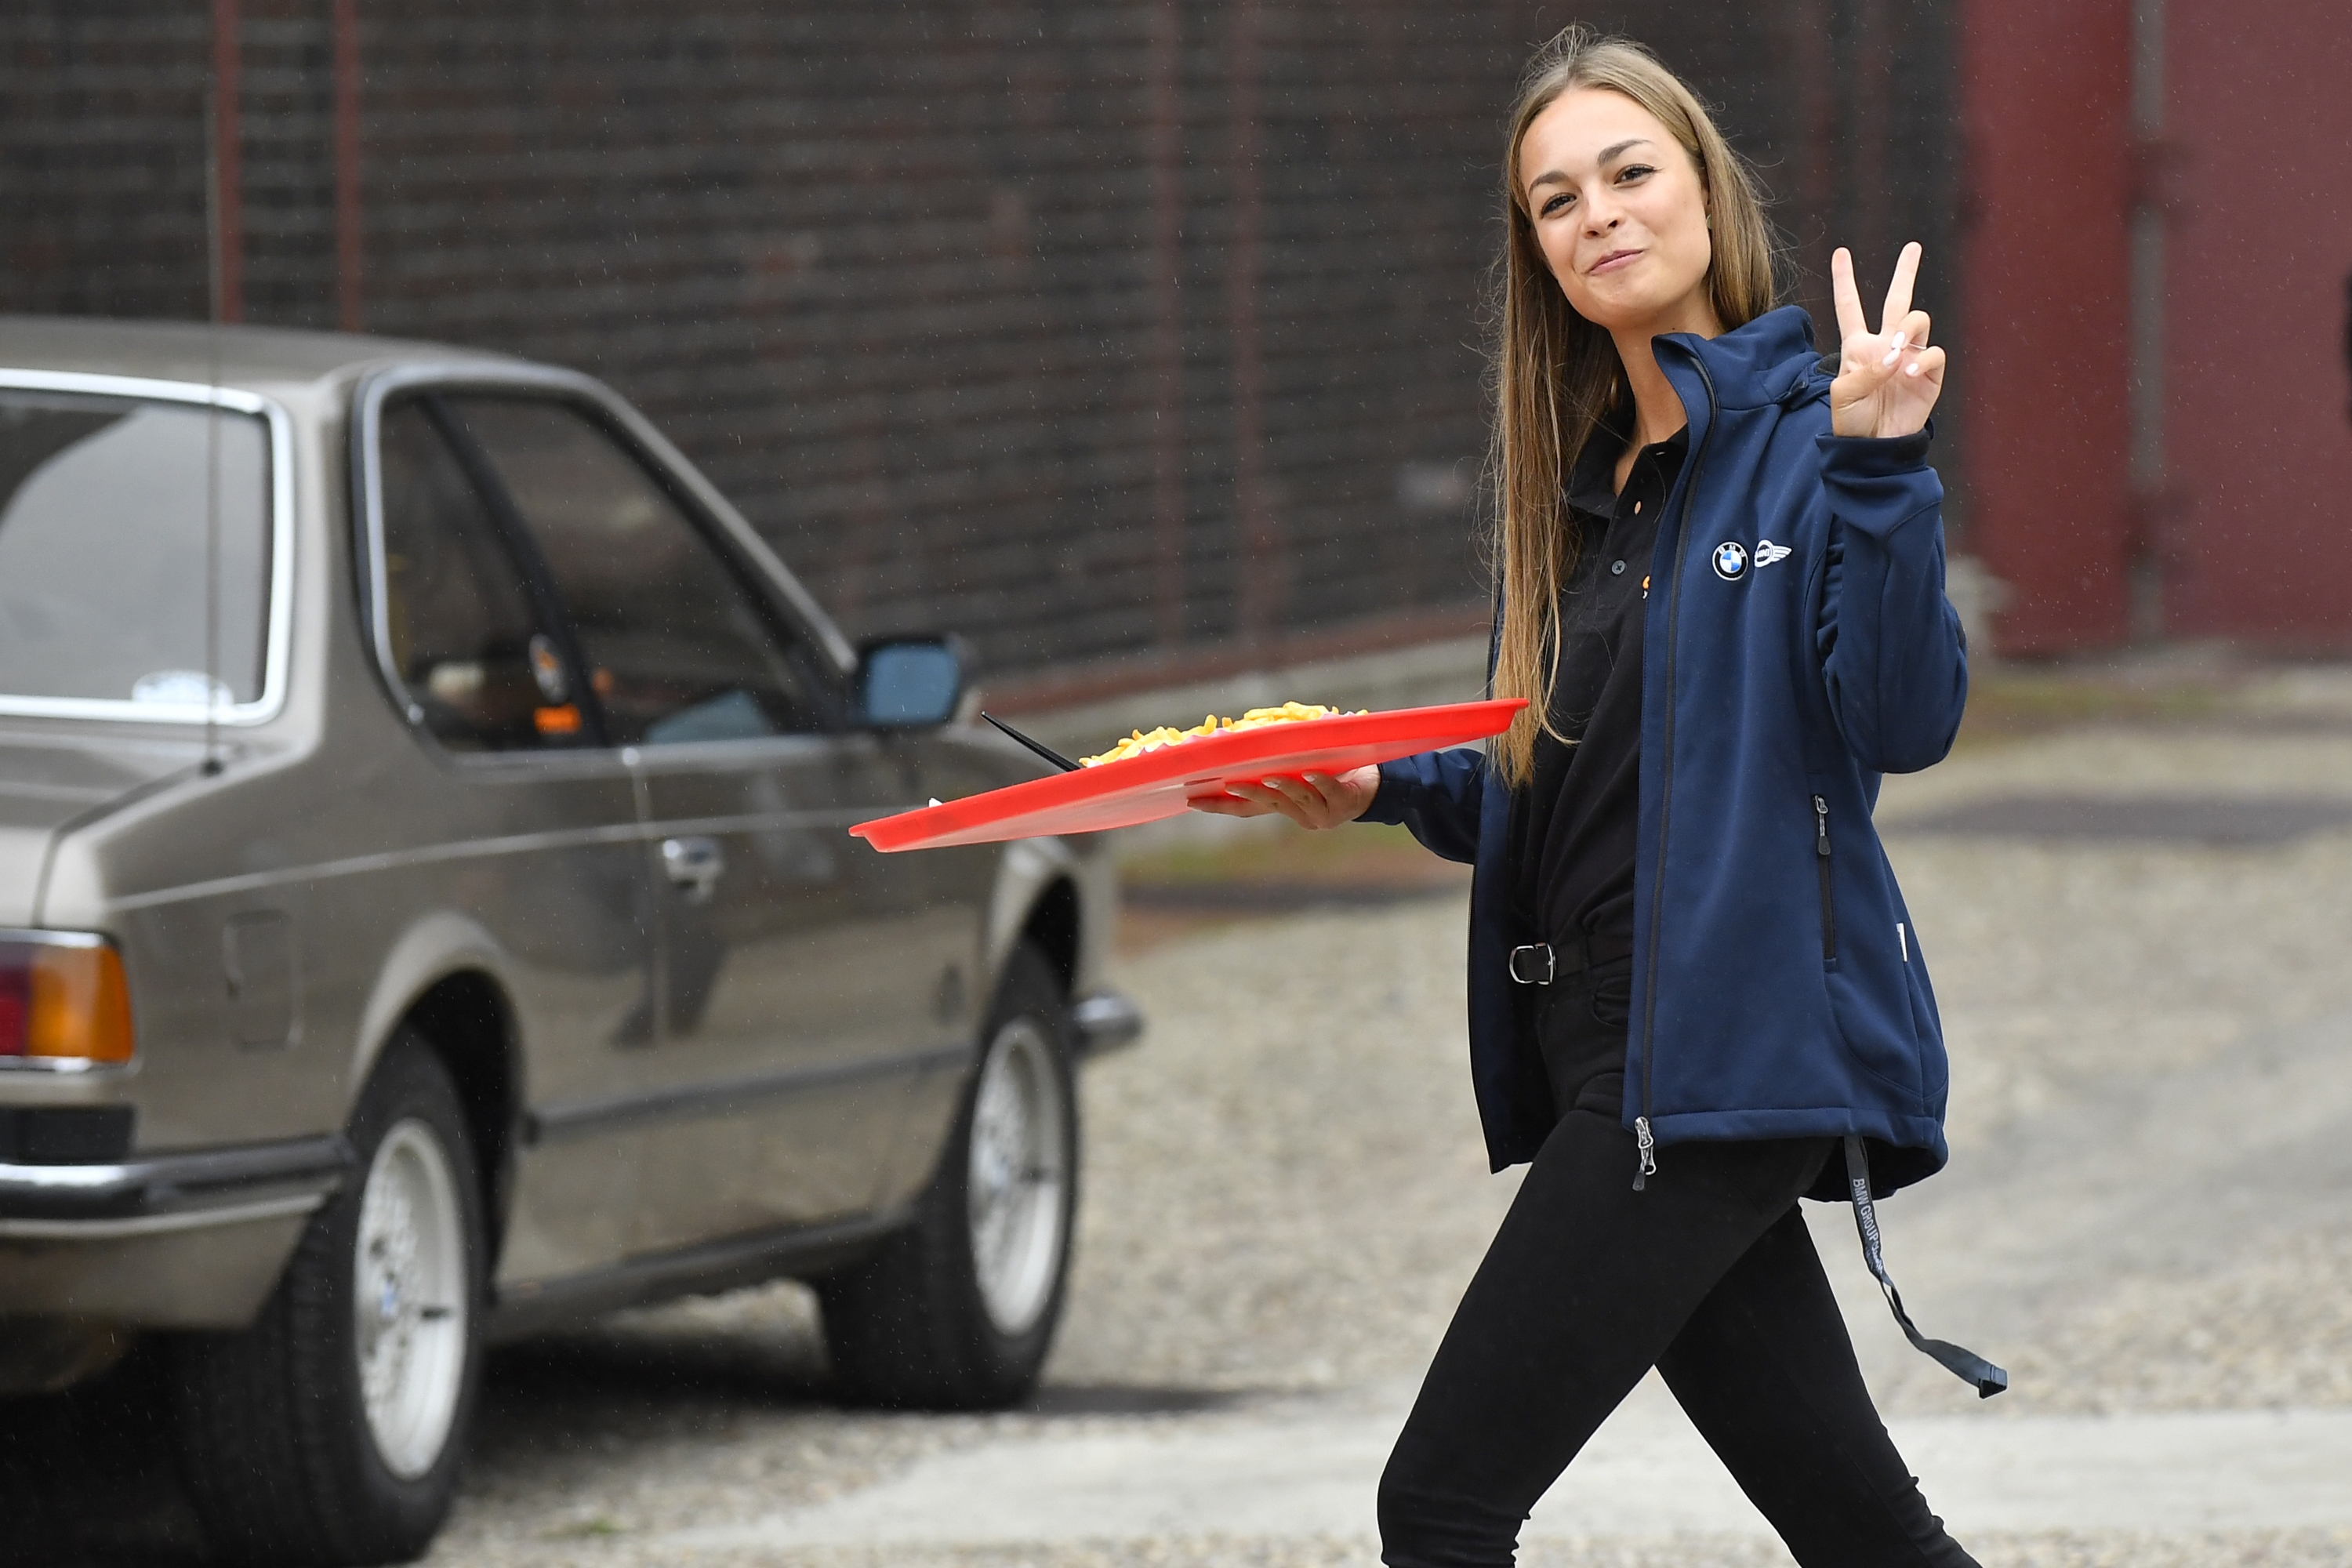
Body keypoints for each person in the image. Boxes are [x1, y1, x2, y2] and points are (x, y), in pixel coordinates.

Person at [1195, 26, 1995, 1568]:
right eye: (1555, 200)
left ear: (1705, 190)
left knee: (1440, 1507)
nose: (1597, 216)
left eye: (1629, 173)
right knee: (1867, 1534)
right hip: (1606, 1050)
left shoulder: (1817, 440)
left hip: (1713, 1051)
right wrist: (1375, 778)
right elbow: (1559, 780)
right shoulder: (1588, 488)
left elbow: (1906, 720)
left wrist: (1886, 465)